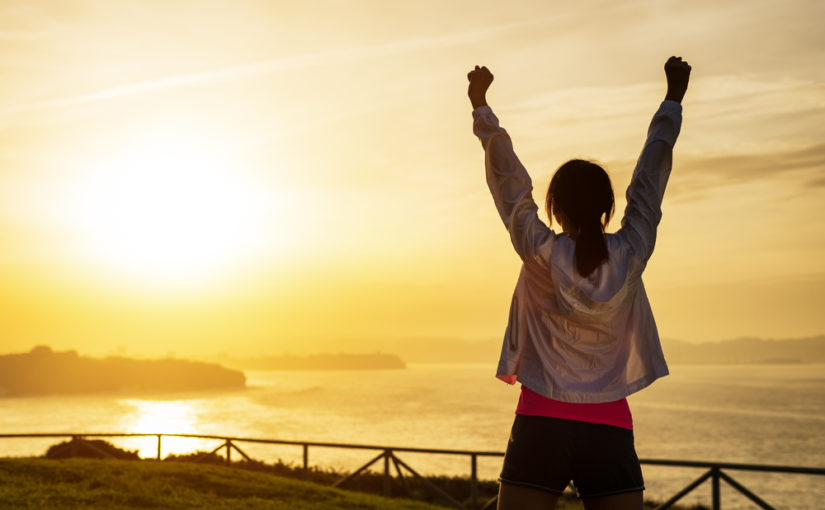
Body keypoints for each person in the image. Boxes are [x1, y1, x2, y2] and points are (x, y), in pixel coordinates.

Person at [467, 56, 691, 510]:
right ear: (607, 208)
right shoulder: (630, 254)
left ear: (555, 208)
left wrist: (481, 107)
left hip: (540, 420)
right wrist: (672, 100)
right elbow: (649, 181)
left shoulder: (539, 251)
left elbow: (509, 183)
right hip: (609, 425)